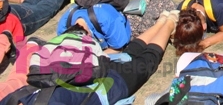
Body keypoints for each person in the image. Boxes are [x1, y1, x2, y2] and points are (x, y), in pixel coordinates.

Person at [0, 12, 178, 105]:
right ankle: (162, 21)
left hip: (107, 86)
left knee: (146, 62)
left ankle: (169, 22)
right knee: (131, 52)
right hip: (87, 67)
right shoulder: (12, 99)